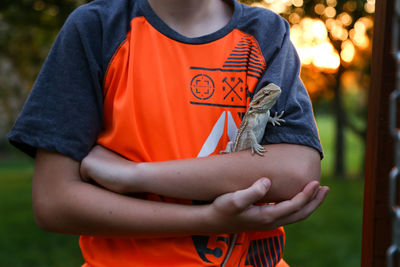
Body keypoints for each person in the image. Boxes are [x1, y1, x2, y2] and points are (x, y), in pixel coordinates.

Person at [8, 0, 329, 266]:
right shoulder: (97, 29)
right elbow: (54, 202)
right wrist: (209, 219)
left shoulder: (267, 33)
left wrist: (134, 175)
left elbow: (298, 172)